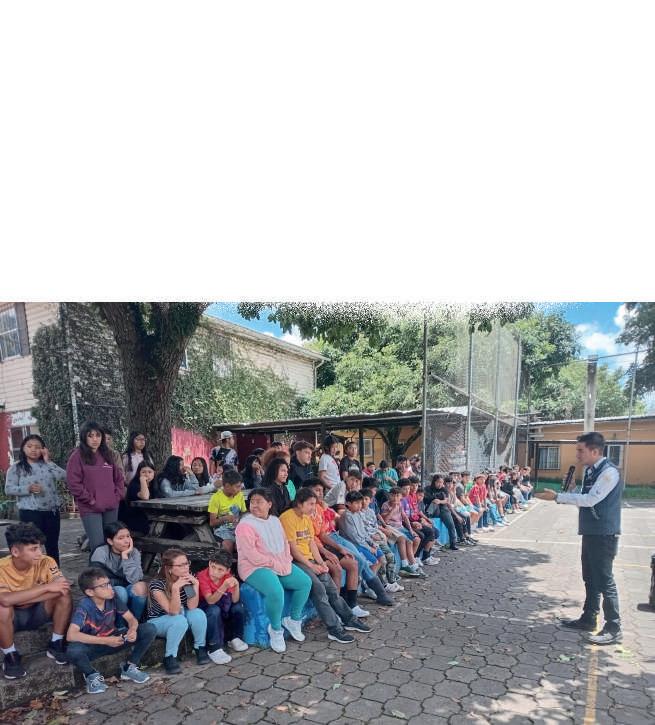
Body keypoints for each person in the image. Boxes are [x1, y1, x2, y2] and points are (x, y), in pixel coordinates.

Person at [535, 432, 624, 645]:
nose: (577, 455)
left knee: (604, 580)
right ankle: (589, 618)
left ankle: (613, 627)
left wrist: (558, 497)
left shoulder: (609, 472)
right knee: (590, 577)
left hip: (603, 534)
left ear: (595, 451)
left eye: (580, 450)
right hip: (591, 532)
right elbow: (585, 498)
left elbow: (591, 499)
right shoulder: (591, 471)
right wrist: (573, 489)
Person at [280, 489, 371, 643]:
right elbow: (293, 549)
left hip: (311, 560)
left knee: (332, 589)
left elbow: (311, 543)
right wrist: (311, 566)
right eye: (310, 504)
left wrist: (321, 563)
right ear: (299, 503)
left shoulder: (306, 518)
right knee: (319, 589)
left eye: (314, 504)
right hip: (296, 561)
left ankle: (349, 619)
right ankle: (334, 629)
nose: (313, 508)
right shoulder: (287, 518)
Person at [234, 488, 312, 653]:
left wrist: (286, 560)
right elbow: (252, 555)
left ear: (269, 504)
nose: (255, 505)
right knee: (276, 591)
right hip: (254, 567)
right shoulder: (245, 525)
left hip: (279, 562)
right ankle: (276, 630)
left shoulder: (275, 521)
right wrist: (274, 563)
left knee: (305, 583)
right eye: (252, 502)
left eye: (259, 502)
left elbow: (284, 543)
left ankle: (293, 620)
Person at [66, 567, 157, 693]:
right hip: (93, 646)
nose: (110, 588)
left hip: (115, 639)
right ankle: (91, 675)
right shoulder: (84, 606)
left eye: (109, 583)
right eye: (103, 586)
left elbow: (131, 619)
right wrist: (106, 640)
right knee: (73, 651)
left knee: (149, 629)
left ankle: (130, 667)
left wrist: (132, 630)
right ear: (90, 592)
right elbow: (71, 635)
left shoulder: (112, 597)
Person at [0, 523, 72, 679]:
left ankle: (56, 642)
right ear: (15, 551)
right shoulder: (2, 567)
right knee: (2, 607)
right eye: (33, 549)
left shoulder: (47, 561)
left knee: (63, 595)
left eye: (40, 547)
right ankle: (10, 655)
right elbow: (5, 600)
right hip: (12, 618)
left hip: (39, 611)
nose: (40, 553)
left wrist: (19, 598)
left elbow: (63, 588)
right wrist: (46, 588)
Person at [5, 434, 67, 564]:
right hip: (30, 513)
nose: (33, 449)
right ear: (23, 448)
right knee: (31, 546)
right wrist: (27, 489)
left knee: (52, 545)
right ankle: (33, 573)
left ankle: (54, 573)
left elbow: (64, 477)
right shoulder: (17, 467)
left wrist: (48, 460)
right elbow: (9, 489)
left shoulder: (47, 465)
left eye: (37, 447)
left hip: (51, 511)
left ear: (43, 449)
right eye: (29, 446)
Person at [146, 548, 210, 673]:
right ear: (169, 568)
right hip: (158, 621)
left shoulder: (187, 579)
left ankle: (200, 648)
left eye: (186, 563)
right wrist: (175, 589)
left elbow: (192, 606)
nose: (186, 568)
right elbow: (173, 611)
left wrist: (195, 585)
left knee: (198, 614)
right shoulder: (157, 585)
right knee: (179, 620)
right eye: (180, 565)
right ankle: (169, 657)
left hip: (181, 614)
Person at [66, 421, 125, 554]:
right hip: (90, 508)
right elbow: (73, 483)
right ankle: (97, 568)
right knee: (98, 545)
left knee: (111, 543)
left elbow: (119, 478)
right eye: (90, 435)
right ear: (84, 437)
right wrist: (91, 500)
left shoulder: (107, 454)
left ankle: (110, 568)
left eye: (98, 435)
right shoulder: (77, 456)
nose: (95, 439)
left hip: (111, 507)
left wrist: (117, 496)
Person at [337, 491, 394, 605]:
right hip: (354, 545)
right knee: (374, 561)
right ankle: (370, 588)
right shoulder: (347, 516)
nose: (359, 505)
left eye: (360, 503)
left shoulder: (358, 514)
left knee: (381, 558)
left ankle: (371, 586)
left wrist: (372, 544)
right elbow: (354, 537)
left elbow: (363, 533)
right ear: (348, 503)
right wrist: (368, 547)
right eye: (356, 503)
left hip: (363, 543)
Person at [196, 550, 248, 664]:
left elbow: (234, 600)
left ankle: (235, 638)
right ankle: (214, 647)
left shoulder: (227, 576)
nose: (215, 572)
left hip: (222, 603)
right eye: (213, 567)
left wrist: (236, 585)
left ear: (227, 571)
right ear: (209, 563)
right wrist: (223, 587)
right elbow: (210, 601)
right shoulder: (202, 576)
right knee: (214, 610)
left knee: (238, 607)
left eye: (220, 570)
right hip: (205, 606)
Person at [90, 522, 148, 622]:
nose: (126, 541)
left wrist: (126, 557)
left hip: (128, 586)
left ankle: (135, 621)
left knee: (141, 587)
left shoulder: (134, 552)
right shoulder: (101, 552)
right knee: (121, 592)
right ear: (110, 541)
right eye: (121, 538)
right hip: (107, 589)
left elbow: (135, 579)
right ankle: (120, 625)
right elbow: (97, 581)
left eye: (128, 536)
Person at [208, 469, 247, 553]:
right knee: (228, 545)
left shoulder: (239, 495)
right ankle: (227, 561)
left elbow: (243, 513)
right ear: (227, 486)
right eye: (237, 486)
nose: (240, 489)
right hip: (223, 530)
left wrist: (241, 521)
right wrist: (225, 518)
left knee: (245, 543)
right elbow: (212, 522)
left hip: (237, 527)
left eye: (240, 486)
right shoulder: (216, 498)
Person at [118, 461, 156, 535]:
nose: (147, 474)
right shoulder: (134, 485)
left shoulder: (154, 484)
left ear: (154, 473)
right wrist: (143, 480)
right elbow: (145, 497)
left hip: (149, 517)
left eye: (150, 472)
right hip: (135, 519)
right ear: (139, 473)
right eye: (143, 472)